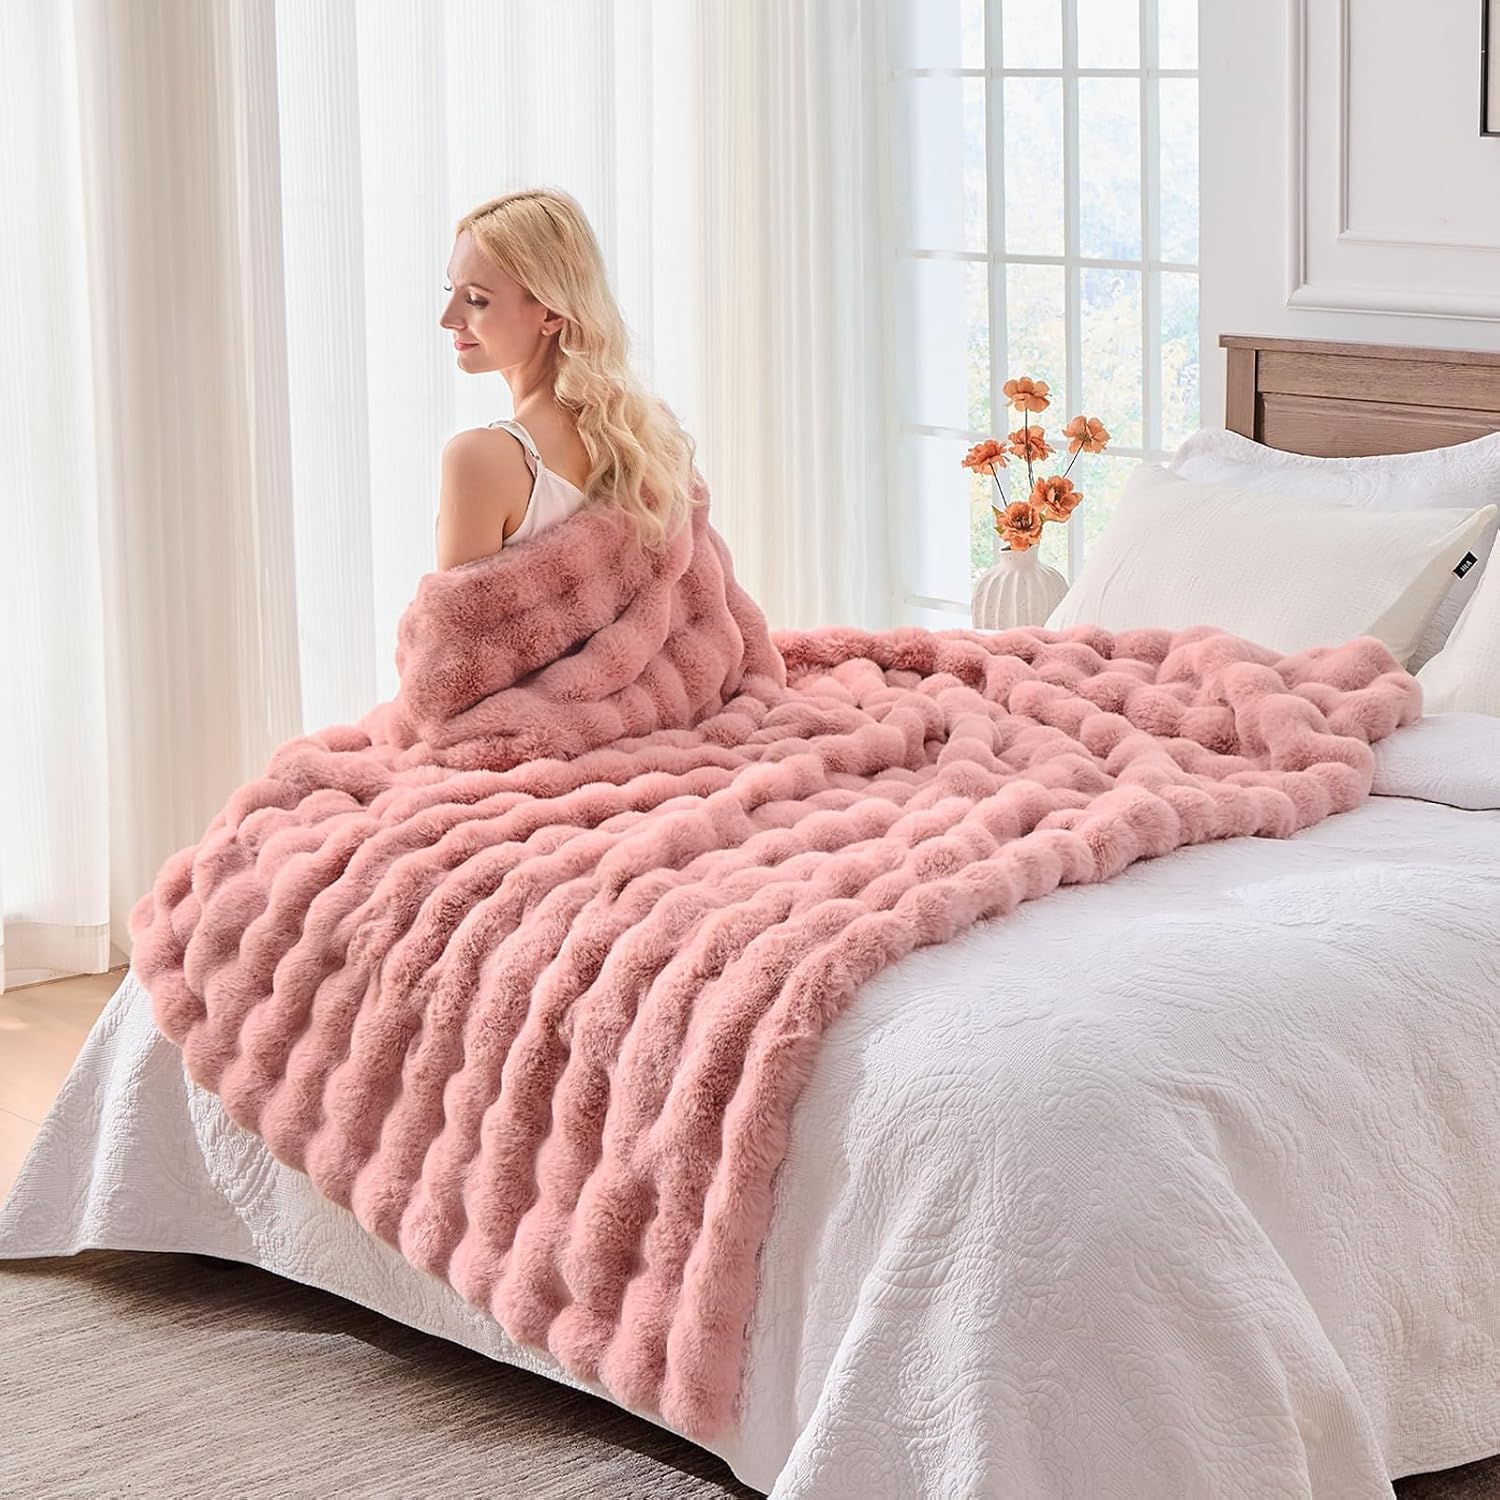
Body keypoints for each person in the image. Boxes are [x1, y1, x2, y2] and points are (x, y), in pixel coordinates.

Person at [435, 186, 702, 570]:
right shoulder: (647, 438)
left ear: (550, 314)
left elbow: (458, 610)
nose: (447, 318)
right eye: (451, 290)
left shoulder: (478, 459)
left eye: (476, 299)